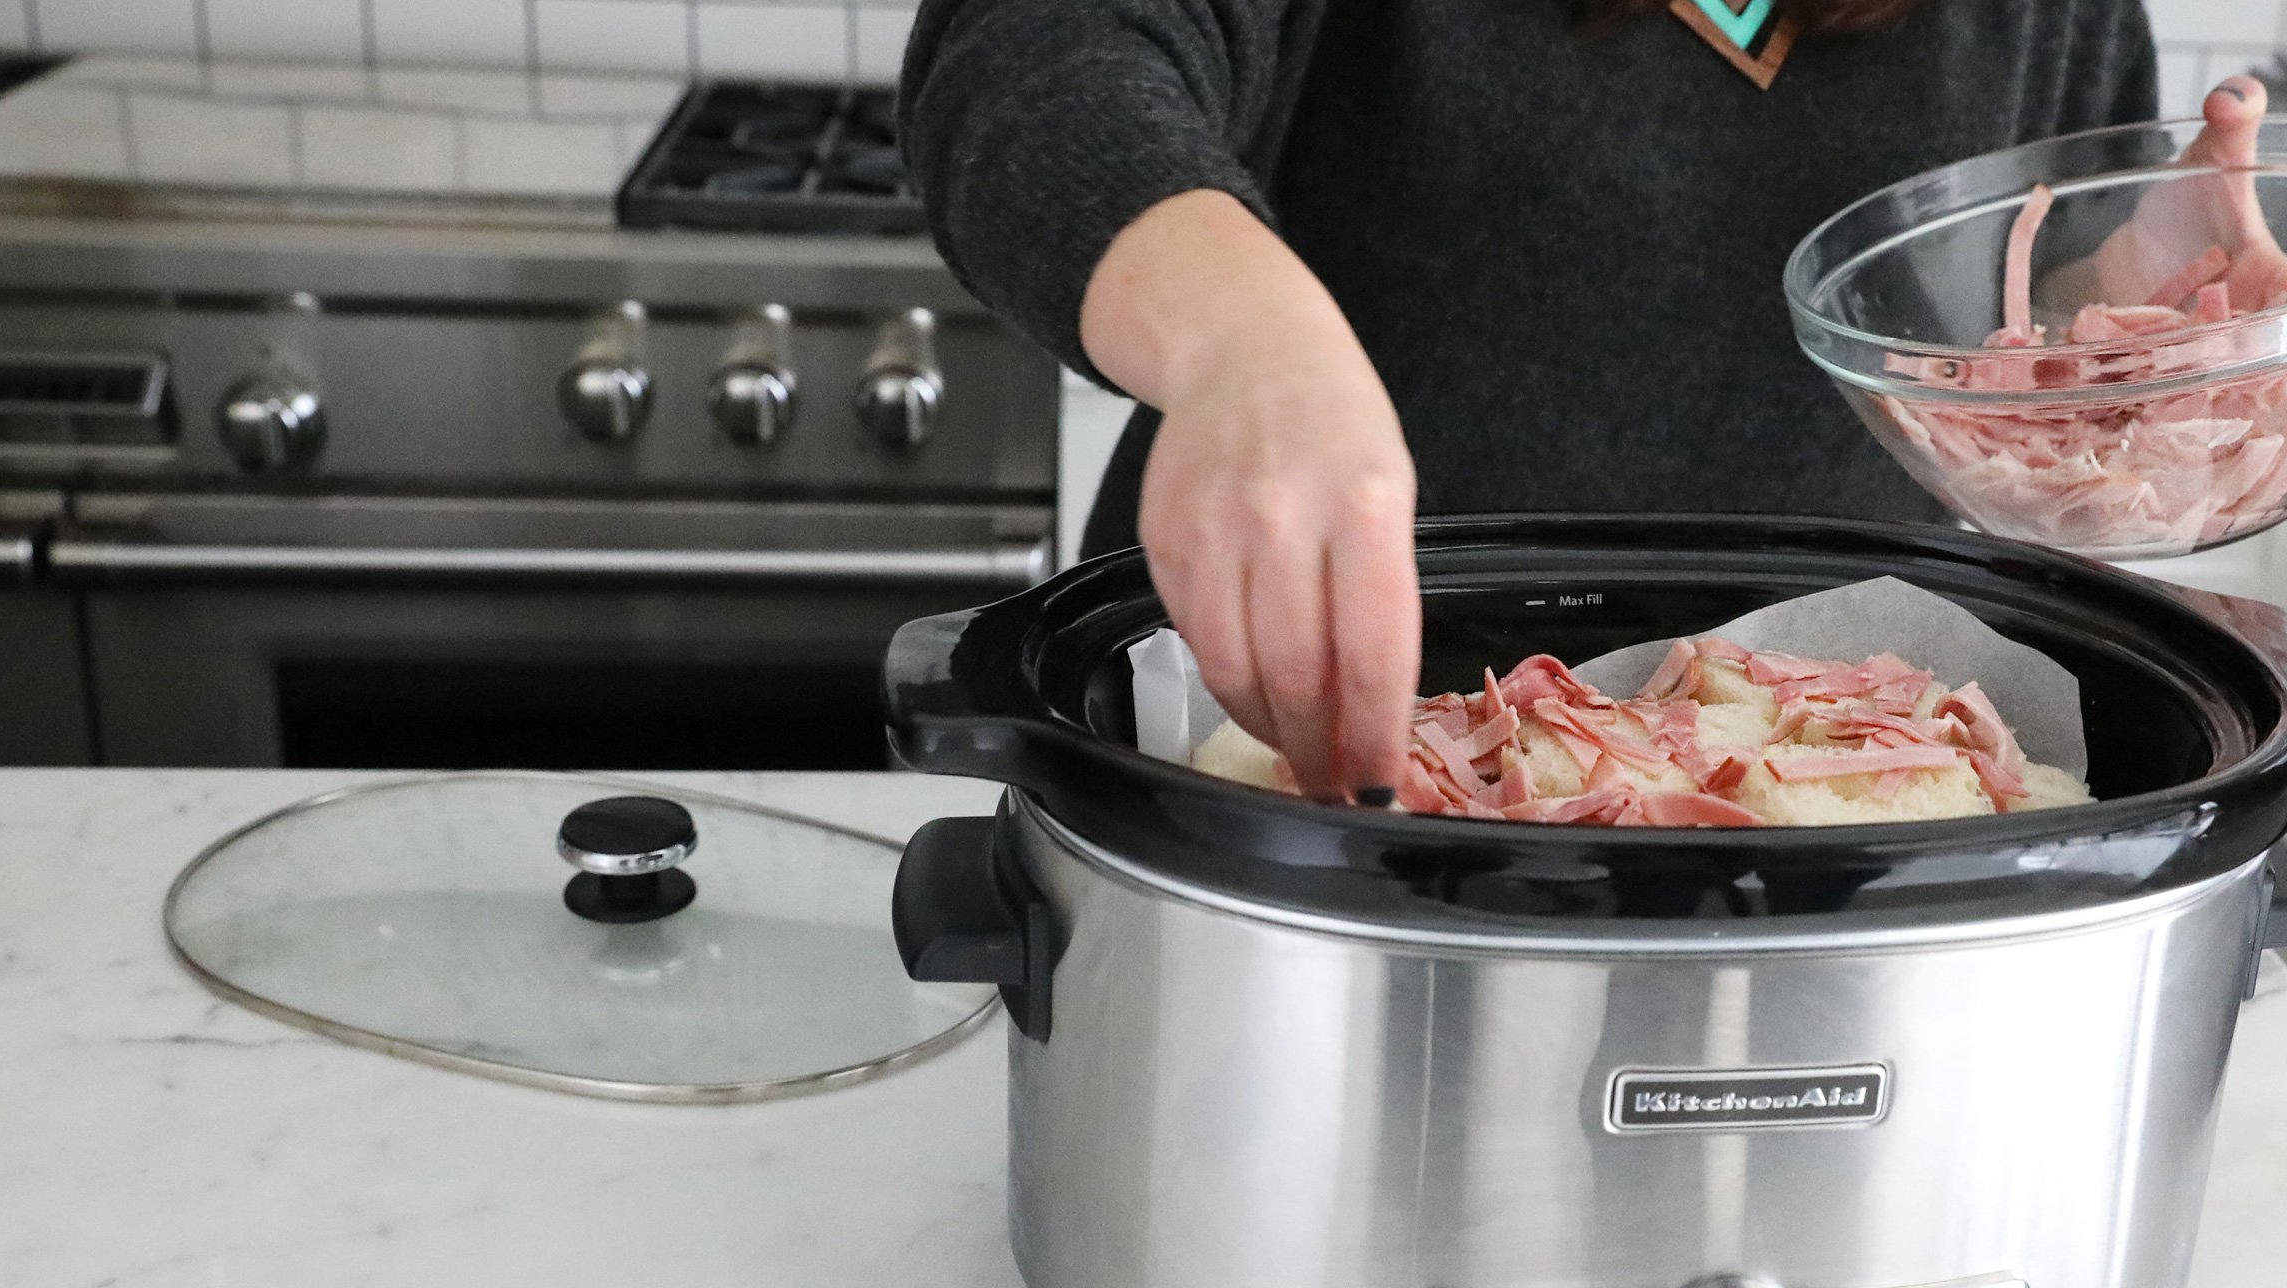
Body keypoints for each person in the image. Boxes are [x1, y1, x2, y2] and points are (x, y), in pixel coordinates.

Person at [902, 2, 2182, 804]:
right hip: (1286, 770)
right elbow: (1037, 54)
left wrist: (2143, 306)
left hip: (1849, 800)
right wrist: (1246, 344)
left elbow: (2017, 286)